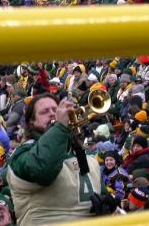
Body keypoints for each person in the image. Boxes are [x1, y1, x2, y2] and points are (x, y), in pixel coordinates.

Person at [7, 93, 103, 225]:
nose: (53, 114)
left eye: (55, 110)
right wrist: (60, 127)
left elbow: (100, 194)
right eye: (44, 111)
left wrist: (108, 208)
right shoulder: (23, 154)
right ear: (31, 121)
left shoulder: (86, 156)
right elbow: (43, 170)